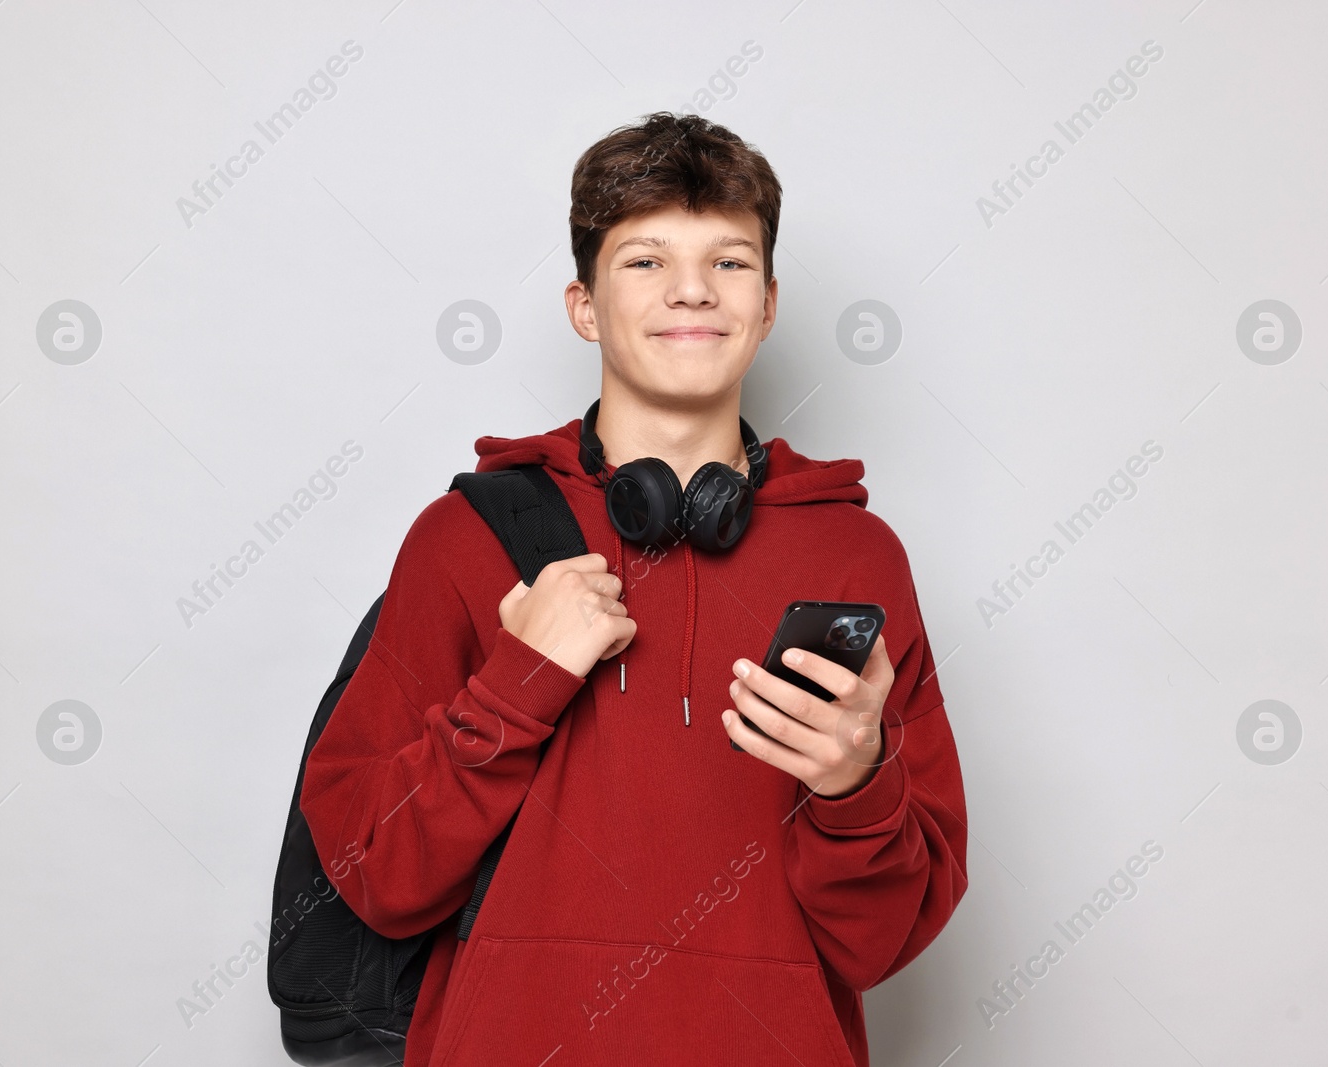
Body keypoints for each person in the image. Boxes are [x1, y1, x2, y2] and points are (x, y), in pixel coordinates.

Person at [300, 111, 967, 1067]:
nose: (692, 289)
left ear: (769, 305)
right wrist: (516, 682)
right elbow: (375, 874)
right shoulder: (468, 539)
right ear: (583, 306)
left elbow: (883, 943)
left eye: (729, 262)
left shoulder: (857, 558)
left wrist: (853, 784)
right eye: (646, 261)